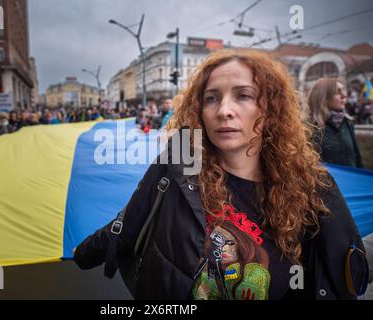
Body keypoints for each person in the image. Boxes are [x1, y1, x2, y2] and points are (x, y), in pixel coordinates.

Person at [73, 49, 368, 300]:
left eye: (243, 95)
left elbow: (339, 275)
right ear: (199, 111)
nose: (224, 110)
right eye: (212, 98)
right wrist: (82, 253)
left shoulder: (314, 188)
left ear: (270, 109)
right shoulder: (179, 164)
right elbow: (128, 224)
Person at [308, 78, 363, 168]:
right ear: (323, 97)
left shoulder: (347, 123)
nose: (344, 96)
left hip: (351, 180)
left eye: (343, 91)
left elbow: (357, 157)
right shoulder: (310, 126)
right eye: (338, 92)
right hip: (326, 181)